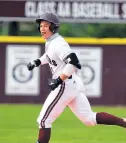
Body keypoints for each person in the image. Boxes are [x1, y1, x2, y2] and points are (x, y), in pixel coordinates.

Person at [27, 13, 126, 143]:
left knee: (44, 121)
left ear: (54, 28)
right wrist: (37, 62)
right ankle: (124, 122)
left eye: (46, 26)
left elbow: (73, 62)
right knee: (89, 119)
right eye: (41, 26)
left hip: (64, 85)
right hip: (72, 84)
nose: (42, 28)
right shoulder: (51, 42)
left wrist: (58, 80)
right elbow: (49, 55)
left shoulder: (58, 44)